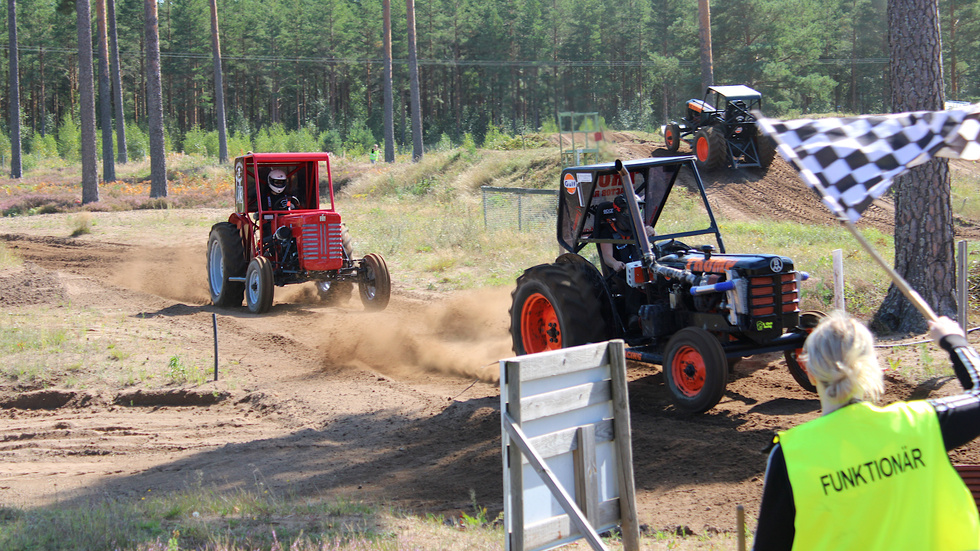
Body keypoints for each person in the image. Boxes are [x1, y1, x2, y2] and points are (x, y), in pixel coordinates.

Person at [753, 312, 980, 550]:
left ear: (809, 370)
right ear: (872, 367)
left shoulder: (790, 456)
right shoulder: (920, 424)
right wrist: (954, 342)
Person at [597, 193, 655, 274]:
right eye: (630, 211)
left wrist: (652, 235)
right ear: (619, 212)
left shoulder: (640, 228)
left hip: (643, 268)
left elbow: (654, 248)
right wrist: (614, 263)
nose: (635, 215)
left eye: (638, 210)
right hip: (624, 274)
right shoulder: (608, 232)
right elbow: (607, 257)